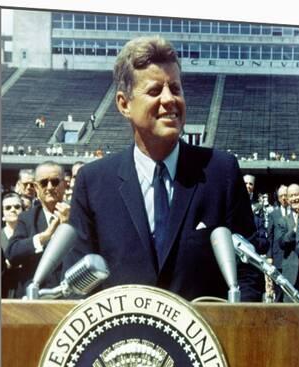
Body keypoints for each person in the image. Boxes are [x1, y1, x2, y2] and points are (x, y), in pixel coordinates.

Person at [62, 36, 262, 302]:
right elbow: (78, 287)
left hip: (205, 341)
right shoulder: (94, 182)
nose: (170, 99)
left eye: (175, 89)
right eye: (155, 91)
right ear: (124, 104)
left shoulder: (220, 172)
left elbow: (248, 273)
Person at [6, 161, 70, 298]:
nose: (49, 187)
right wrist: (45, 236)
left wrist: (68, 228)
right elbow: (12, 253)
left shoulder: (78, 215)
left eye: (55, 182)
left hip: (69, 296)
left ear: (64, 184)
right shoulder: (27, 218)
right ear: (36, 187)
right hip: (35, 297)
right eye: (43, 183)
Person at [277, 183, 299, 302]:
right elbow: (282, 242)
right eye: (291, 196)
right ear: (287, 199)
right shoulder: (282, 221)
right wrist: (295, 229)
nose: (294, 198)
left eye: (296, 195)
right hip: (291, 273)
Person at [266, 185, 289, 301]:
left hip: (291, 259)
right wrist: (269, 256)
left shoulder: (296, 213)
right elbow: (270, 237)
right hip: (278, 258)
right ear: (278, 198)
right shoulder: (273, 214)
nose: (284, 198)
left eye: (286, 195)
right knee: (279, 292)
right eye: (281, 196)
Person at [1, 193, 24, 298]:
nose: (13, 210)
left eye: (17, 207)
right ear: (2, 215)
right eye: (8, 207)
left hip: (23, 291)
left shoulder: (29, 237)